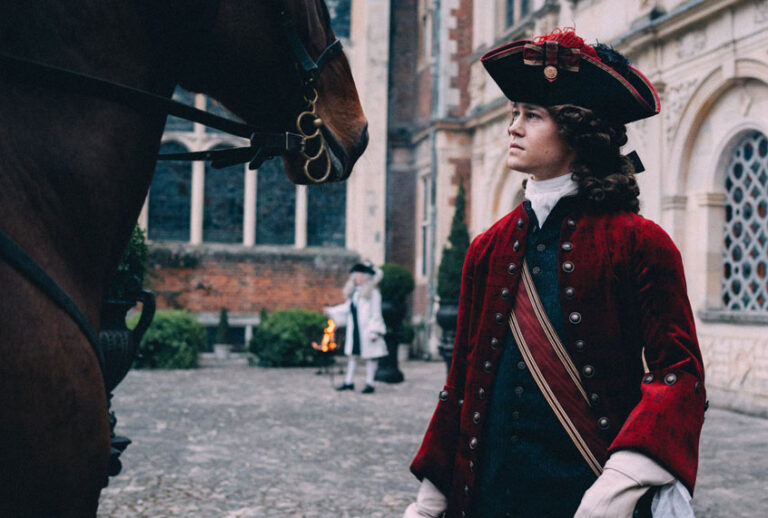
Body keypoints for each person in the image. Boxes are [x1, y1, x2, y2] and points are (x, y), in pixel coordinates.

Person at [404, 28, 707, 518]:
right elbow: (461, 382)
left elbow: (679, 375)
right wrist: (431, 496)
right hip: (486, 497)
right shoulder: (486, 249)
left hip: (588, 497)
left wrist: (622, 482)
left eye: (532, 116)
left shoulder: (639, 243)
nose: (514, 127)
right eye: (513, 114)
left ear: (576, 131)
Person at [325, 262, 387, 394]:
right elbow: (347, 308)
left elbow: (376, 313)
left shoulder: (373, 294)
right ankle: (349, 382)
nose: (357, 279)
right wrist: (332, 311)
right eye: (356, 277)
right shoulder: (355, 294)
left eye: (360, 277)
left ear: (366, 277)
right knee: (353, 356)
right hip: (356, 331)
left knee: (370, 357)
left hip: (367, 330)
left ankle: (370, 383)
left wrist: (374, 331)